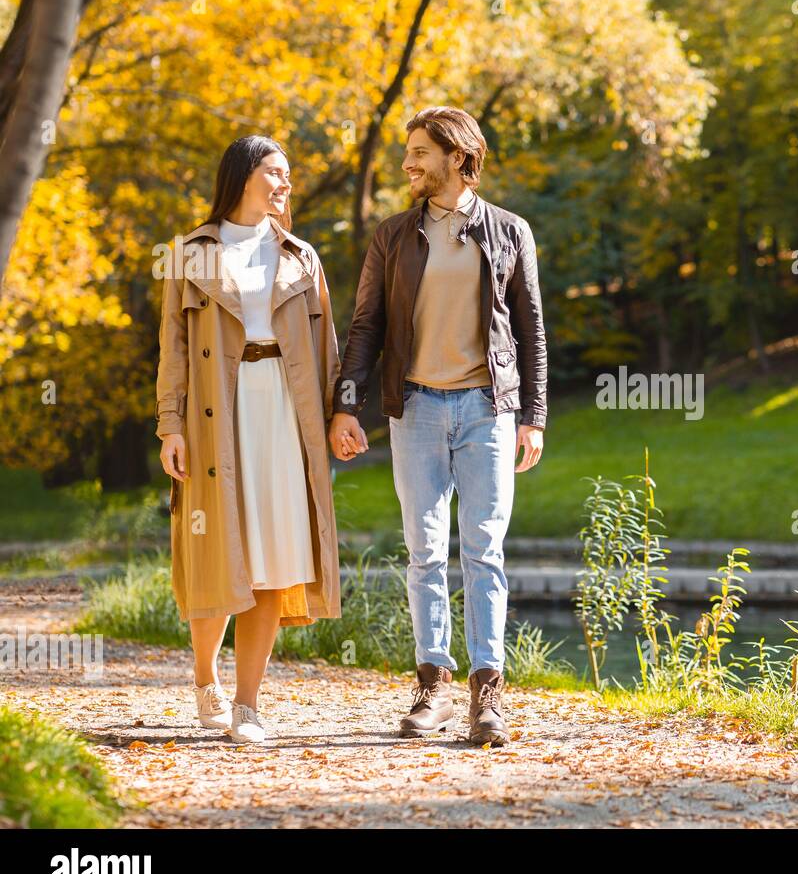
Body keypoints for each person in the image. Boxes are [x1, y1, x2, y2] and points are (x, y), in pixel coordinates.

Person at [329, 106, 546, 747]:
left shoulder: (509, 231)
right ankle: (432, 688)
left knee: (483, 549)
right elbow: (366, 326)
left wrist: (532, 418)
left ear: (457, 155)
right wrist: (348, 402)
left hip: (489, 410)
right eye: (407, 152)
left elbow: (531, 331)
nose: (408, 164)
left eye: (420, 152)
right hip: (416, 407)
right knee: (424, 550)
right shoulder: (393, 237)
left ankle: (488, 697)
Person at [156, 135, 342, 744]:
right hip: (217, 408)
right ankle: (205, 674)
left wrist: (342, 413)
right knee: (217, 550)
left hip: (284, 411)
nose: (285, 183)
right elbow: (174, 351)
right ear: (241, 175)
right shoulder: (188, 253)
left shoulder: (300, 255)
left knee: (273, 556)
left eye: (288, 174)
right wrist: (171, 426)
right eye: (274, 172)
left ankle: (247, 704)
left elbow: (326, 350)